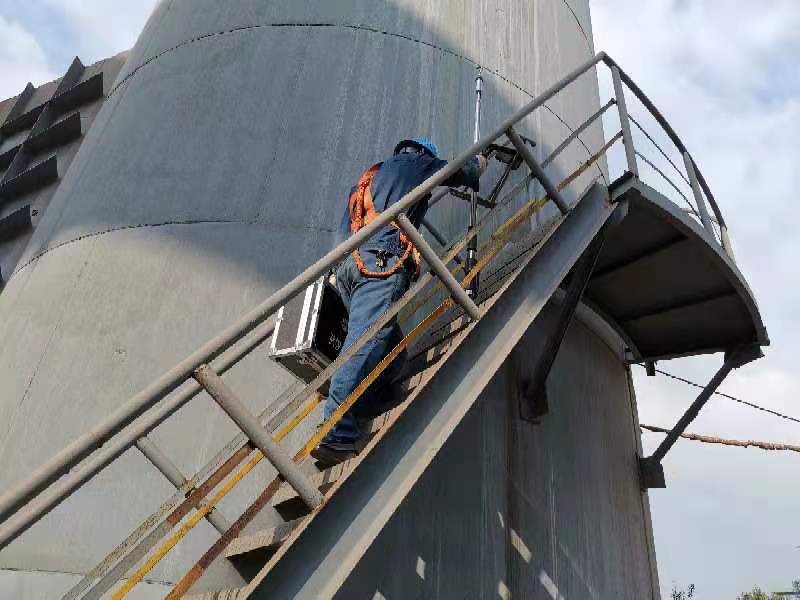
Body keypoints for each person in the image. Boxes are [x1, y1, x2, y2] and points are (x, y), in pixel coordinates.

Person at [311, 137, 487, 466]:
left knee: (391, 350)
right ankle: (336, 430)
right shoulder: (416, 164)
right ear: (421, 153)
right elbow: (457, 173)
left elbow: (340, 237)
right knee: (367, 340)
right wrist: (478, 166)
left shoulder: (364, 182)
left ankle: (362, 401)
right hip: (380, 262)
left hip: (351, 269)